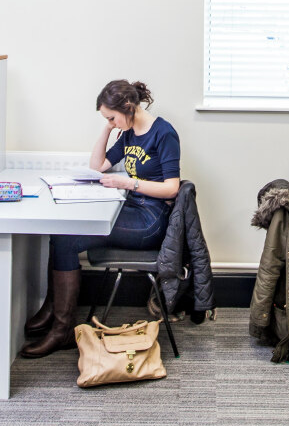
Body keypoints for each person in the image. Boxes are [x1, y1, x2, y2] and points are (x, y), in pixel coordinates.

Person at [20, 79, 182, 358]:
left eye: (112, 116)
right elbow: (97, 166)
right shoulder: (128, 131)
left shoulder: (163, 133)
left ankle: (62, 329)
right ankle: (54, 309)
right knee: (60, 233)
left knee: (66, 241)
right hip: (133, 209)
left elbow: (172, 187)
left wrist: (128, 184)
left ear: (128, 107)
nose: (112, 122)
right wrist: (107, 128)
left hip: (151, 220)